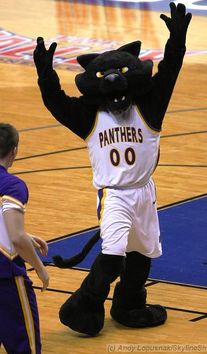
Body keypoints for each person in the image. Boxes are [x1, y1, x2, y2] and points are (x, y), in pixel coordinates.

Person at [33, 2, 191, 335]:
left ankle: (129, 305)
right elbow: (56, 102)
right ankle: (84, 305)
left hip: (145, 192)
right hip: (115, 195)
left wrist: (177, 40)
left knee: (143, 252)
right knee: (113, 254)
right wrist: (45, 74)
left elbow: (170, 73)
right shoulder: (88, 116)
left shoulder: (149, 106)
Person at [0, 123, 49, 353]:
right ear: (14, 151)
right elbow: (16, 238)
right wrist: (40, 268)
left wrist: (25, 235)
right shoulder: (12, 185)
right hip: (7, 280)